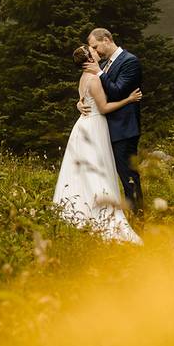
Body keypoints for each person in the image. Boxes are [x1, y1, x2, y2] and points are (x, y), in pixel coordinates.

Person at [55, 43, 143, 244]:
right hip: (94, 125)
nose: (96, 51)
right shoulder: (94, 78)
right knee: (98, 172)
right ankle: (99, 215)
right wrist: (129, 100)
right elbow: (103, 108)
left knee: (83, 173)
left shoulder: (85, 77)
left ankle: (79, 211)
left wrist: (80, 103)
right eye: (92, 49)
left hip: (83, 126)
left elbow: (84, 99)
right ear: (89, 58)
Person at [78, 28, 144, 216]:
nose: (95, 51)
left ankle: (139, 219)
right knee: (108, 177)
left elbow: (117, 91)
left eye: (95, 46)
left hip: (124, 130)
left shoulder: (130, 61)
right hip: (106, 130)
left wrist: (99, 73)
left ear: (107, 39)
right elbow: (98, 93)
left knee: (129, 177)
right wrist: (80, 102)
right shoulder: (105, 63)